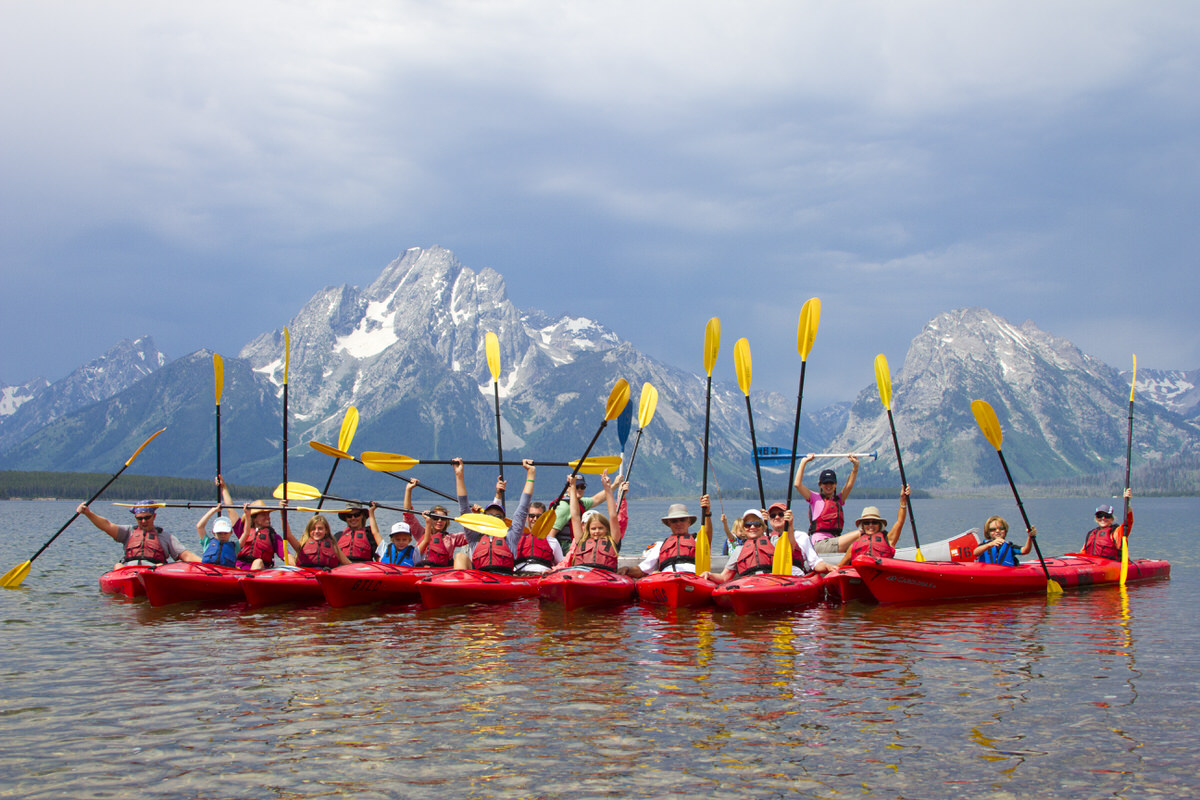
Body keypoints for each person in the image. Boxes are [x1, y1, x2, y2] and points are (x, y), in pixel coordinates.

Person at [451, 458, 536, 572]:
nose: (493, 519)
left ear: (503, 521)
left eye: (498, 516)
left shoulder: (511, 537)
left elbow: (523, 507)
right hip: (480, 581)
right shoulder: (474, 537)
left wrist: (531, 473)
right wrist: (459, 475)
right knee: (460, 557)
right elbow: (464, 507)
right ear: (484, 519)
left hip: (504, 580)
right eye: (490, 516)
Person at [77, 501, 199, 569]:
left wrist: (210, 563)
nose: (143, 521)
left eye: (147, 518)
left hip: (153, 570)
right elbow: (107, 525)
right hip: (128, 571)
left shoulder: (165, 537)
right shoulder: (128, 532)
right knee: (118, 566)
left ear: (154, 516)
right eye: (139, 518)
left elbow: (186, 555)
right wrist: (88, 513)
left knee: (161, 566)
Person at [625, 494, 711, 578]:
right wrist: (627, 570)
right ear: (669, 524)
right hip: (667, 580)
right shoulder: (660, 546)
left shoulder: (698, 540)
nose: (678, 523)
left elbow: (707, 536)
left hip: (693, 578)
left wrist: (706, 513)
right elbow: (642, 569)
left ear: (689, 522)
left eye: (682, 520)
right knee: (655, 573)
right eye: (674, 521)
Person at [794, 454, 860, 555]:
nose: (828, 486)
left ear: (835, 484)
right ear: (820, 485)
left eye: (831, 483)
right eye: (825, 483)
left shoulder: (838, 499)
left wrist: (855, 466)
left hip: (834, 540)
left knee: (861, 543)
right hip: (820, 544)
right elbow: (797, 484)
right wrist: (804, 462)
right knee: (861, 533)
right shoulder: (814, 498)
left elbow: (849, 485)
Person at [559, 472, 621, 571]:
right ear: (588, 529)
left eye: (600, 528)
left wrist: (608, 488)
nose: (596, 531)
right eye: (593, 528)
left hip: (606, 577)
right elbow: (575, 516)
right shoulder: (581, 540)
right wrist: (573, 486)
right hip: (583, 575)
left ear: (607, 529)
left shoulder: (613, 540)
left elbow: (613, 516)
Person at [837, 486, 911, 566]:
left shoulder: (888, 540)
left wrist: (903, 500)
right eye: (867, 523)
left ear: (879, 525)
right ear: (862, 525)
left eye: (874, 522)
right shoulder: (854, 546)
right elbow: (840, 566)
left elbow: (900, 522)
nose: (870, 525)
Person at [401, 479, 467, 568]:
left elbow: (471, 535)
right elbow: (408, 515)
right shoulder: (421, 533)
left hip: (441, 572)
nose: (439, 521)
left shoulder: (452, 538)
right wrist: (408, 490)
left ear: (446, 521)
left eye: (443, 518)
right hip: (421, 570)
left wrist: (476, 514)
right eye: (435, 518)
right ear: (430, 519)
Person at [513, 500, 565, 574]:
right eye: (532, 516)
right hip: (519, 576)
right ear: (527, 517)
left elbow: (561, 565)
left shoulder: (552, 541)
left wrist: (552, 571)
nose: (535, 519)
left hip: (542, 576)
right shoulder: (516, 540)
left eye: (539, 516)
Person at [1082, 489, 1133, 560]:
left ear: (1112, 519)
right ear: (1096, 519)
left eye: (1107, 516)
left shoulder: (1116, 532)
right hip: (1092, 566)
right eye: (1100, 516)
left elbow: (1128, 522)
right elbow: (1082, 553)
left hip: (1112, 567)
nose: (1103, 518)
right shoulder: (1091, 534)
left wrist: (1127, 503)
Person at [237, 500, 288, 571]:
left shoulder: (273, 536)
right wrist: (224, 489)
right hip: (239, 569)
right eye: (263, 515)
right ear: (254, 519)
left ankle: (250, 579)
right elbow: (230, 511)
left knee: (258, 562)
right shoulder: (243, 531)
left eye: (268, 514)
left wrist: (282, 512)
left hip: (261, 571)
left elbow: (286, 555)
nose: (268, 518)